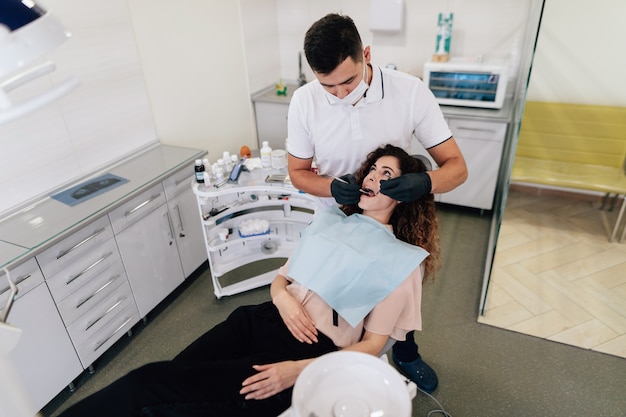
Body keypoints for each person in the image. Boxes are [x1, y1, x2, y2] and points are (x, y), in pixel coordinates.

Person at [58, 145, 440, 417]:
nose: (372, 177)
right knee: (174, 379)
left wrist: (299, 369)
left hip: (304, 353)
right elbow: (281, 280)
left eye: (385, 175)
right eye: (371, 170)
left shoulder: (400, 262)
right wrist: (285, 299)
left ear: (405, 193)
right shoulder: (330, 222)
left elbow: (374, 345)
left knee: (145, 388)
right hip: (254, 320)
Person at [287, 13, 467, 393]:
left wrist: (425, 181)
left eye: (348, 81)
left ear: (367, 54)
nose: (339, 95)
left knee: (395, 297)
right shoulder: (304, 101)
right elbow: (298, 172)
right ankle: (341, 360)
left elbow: (458, 168)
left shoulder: (410, 91)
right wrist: (332, 188)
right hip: (336, 220)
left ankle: (406, 350)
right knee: (336, 302)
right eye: (327, 86)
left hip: (394, 222)